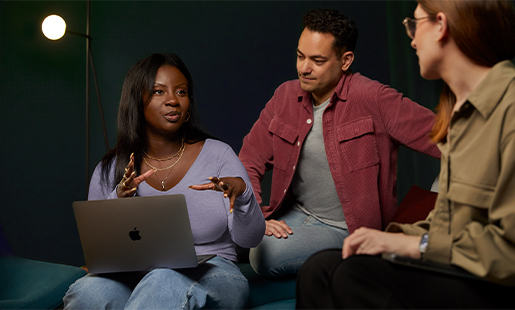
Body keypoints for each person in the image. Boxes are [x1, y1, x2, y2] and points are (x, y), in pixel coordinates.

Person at [296, 0, 515, 308]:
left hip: (494, 282)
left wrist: (418, 245)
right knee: (319, 269)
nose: (411, 38)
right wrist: (388, 239)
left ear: (442, 25)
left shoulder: (509, 111)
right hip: (457, 263)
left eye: (414, 24)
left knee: (352, 276)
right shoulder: (461, 116)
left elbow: (508, 252)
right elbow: (445, 226)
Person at [239, 8, 440, 277]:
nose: (304, 68)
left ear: (345, 61)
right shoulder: (284, 96)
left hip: (346, 229)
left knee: (265, 255)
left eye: (317, 60)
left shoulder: (374, 98)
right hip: (294, 215)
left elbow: (450, 140)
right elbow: (249, 160)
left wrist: (444, 197)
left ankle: (357, 262)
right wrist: (255, 219)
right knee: (231, 232)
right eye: (300, 56)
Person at [63, 53, 265, 309]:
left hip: (214, 272)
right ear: (137, 101)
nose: (173, 100)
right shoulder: (111, 167)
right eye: (159, 92)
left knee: (162, 280)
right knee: (88, 291)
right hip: (134, 275)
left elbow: (251, 240)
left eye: (181, 92)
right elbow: (100, 255)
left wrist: (243, 194)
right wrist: (119, 200)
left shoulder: (219, 154)